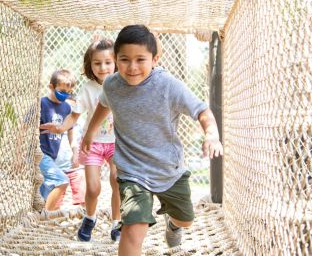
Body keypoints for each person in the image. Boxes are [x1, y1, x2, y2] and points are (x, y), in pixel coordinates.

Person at [81, 25, 223, 256]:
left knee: (185, 220)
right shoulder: (112, 85)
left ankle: (173, 224)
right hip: (132, 171)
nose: (132, 67)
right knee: (133, 229)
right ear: (116, 58)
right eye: (124, 59)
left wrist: (211, 134)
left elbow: (202, 111)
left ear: (155, 59)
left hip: (169, 169)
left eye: (141, 59)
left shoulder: (168, 85)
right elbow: (104, 105)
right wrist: (90, 132)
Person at [44, 38, 121, 242]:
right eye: (97, 63)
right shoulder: (88, 88)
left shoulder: (123, 83)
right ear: (90, 65)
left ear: (116, 62)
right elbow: (75, 116)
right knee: (94, 188)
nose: (103, 67)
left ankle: (117, 223)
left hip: (117, 143)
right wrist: (61, 127)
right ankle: (90, 217)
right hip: (92, 143)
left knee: (117, 181)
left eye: (108, 62)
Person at [38, 69, 76, 211]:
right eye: (61, 90)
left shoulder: (66, 107)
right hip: (40, 153)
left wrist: (74, 151)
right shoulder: (41, 103)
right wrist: (20, 155)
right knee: (61, 181)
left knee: (47, 186)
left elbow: (70, 129)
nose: (65, 94)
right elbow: (25, 128)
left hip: (53, 155)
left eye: (68, 92)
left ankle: (40, 210)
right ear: (51, 87)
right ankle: (45, 215)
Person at [54, 125, 86, 209]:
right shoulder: (56, 122)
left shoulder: (79, 125)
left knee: (82, 193)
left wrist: (78, 158)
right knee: (56, 200)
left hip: (75, 168)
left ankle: (83, 213)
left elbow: (83, 143)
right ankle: (54, 212)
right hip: (56, 167)